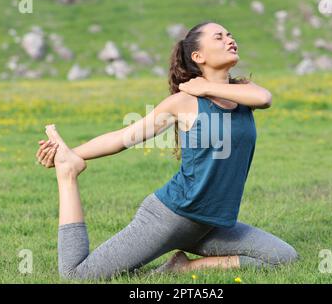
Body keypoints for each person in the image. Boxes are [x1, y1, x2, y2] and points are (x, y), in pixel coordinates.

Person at [36, 21, 299, 281]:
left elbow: (265, 98)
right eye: (218, 37)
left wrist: (206, 86)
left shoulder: (243, 93)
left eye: (229, 34)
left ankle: (183, 268)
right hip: (170, 217)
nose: (230, 39)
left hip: (210, 225)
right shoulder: (183, 102)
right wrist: (71, 154)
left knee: (285, 257)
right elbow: (124, 137)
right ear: (198, 56)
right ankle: (67, 174)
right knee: (76, 276)